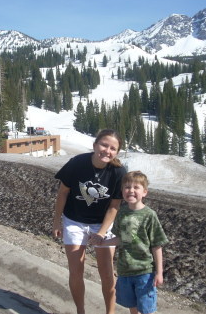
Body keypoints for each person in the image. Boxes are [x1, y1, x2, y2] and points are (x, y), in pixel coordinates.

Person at [52, 129, 127, 314]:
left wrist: (101, 232)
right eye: (104, 145)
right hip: (74, 221)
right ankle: (81, 311)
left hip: (101, 224)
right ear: (95, 145)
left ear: (117, 152)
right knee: (76, 271)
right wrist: (56, 222)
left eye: (112, 148)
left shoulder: (119, 172)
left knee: (107, 273)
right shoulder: (77, 163)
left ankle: (110, 312)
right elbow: (63, 193)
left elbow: (114, 206)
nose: (107, 151)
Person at [96, 171, 169, 314]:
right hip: (124, 271)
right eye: (127, 187)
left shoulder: (149, 215)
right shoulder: (121, 213)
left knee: (146, 308)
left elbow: (157, 245)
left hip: (145, 272)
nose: (131, 191)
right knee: (132, 305)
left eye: (136, 187)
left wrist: (159, 272)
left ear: (145, 192)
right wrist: (102, 242)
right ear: (122, 191)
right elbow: (121, 238)